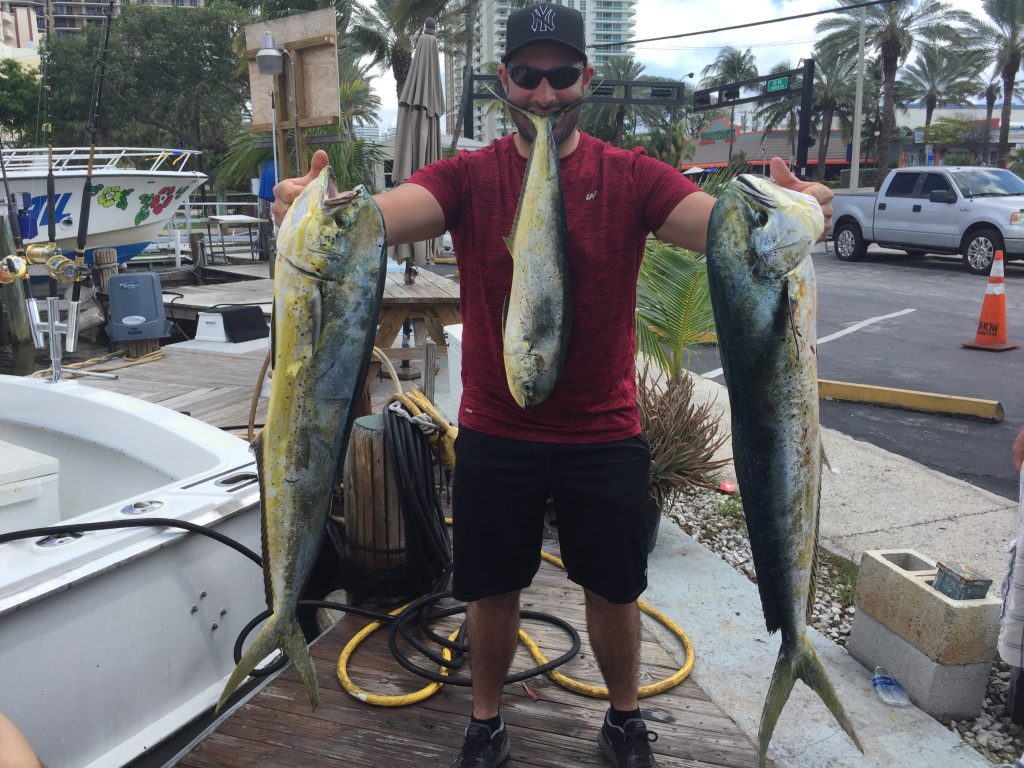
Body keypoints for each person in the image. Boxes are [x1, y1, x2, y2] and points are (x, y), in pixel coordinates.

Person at [272, 5, 833, 766]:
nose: (544, 94)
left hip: (604, 435)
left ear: (586, 79)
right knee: (490, 590)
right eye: (528, 77)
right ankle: (486, 717)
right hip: (498, 432)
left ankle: (625, 717)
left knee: (614, 591)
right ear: (506, 80)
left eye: (561, 75)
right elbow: (374, 218)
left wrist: (803, 218)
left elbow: (729, 235)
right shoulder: (468, 177)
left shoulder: (633, 175)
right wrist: (314, 209)